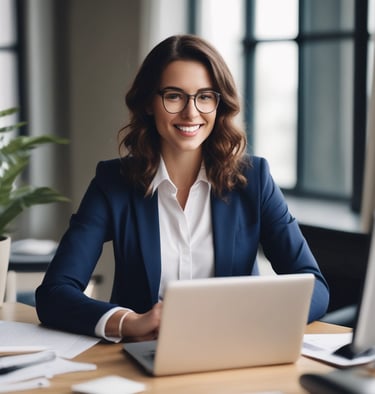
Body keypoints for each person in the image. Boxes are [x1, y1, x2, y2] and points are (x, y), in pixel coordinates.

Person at [35, 34, 329, 342]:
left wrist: (254, 320)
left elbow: (316, 286)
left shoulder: (254, 181)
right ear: (149, 103)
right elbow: (55, 293)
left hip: (234, 352)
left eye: (204, 96)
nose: (191, 113)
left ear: (219, 104)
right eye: (174, 96)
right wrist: (128, 322)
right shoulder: (114, 183)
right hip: (141, 356)